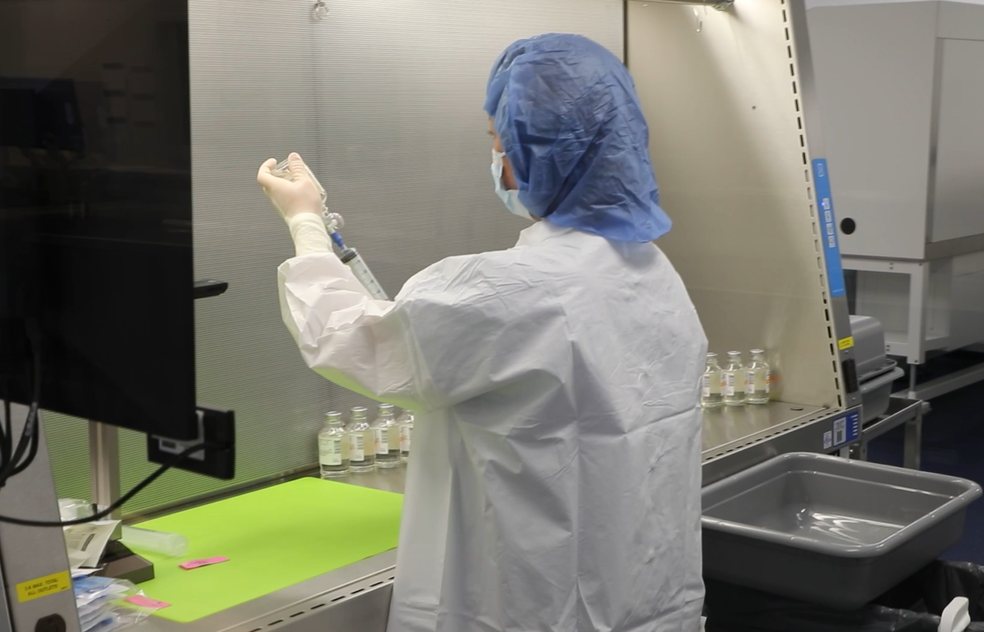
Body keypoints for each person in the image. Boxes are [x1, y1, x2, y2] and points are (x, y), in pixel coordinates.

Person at [257, 33, 707, 632]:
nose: (495, 156)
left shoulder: (507, 290)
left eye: (497, 139)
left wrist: (306, 223)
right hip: (642, 600)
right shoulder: (654, 273)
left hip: (525, 609)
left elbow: (347, 338)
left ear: (534, 154)